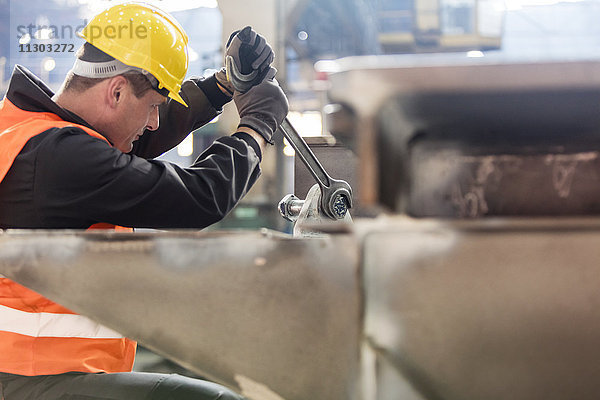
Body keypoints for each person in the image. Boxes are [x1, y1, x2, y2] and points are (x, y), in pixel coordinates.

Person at [0, 2, 288, 399]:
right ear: (116, 90)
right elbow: (197, 199)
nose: (154, 120)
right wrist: (256, 127)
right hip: (34, 379)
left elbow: (137, 140)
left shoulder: (28, 130)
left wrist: (223, 85)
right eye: (153, 105)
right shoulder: (63, 159)